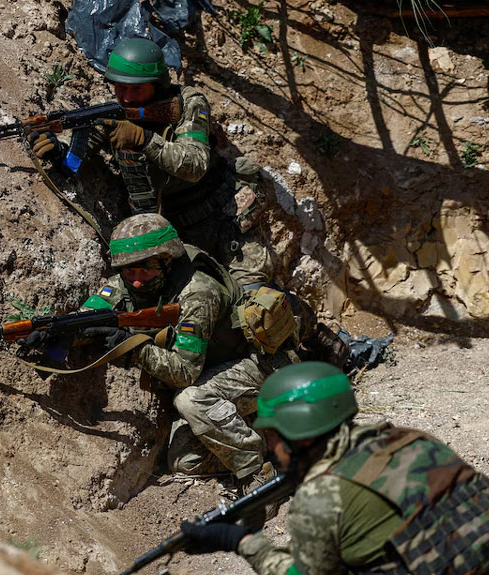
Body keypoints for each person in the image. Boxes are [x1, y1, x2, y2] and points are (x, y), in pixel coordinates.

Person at [180, 361, 489, 575]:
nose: (269, 447)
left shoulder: (319, 497)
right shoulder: (412, 440)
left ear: (296, 434)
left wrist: (240, 540)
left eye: (270, 435)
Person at [59, 214, 310, 490]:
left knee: (191, 400)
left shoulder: (199, 292)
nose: (137, 282)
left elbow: (184, 373)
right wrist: (57, 334)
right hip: (221, 370)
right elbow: (89, 317)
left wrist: (132, 349)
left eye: (145, 272)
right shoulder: (133, 275)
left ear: (167, 261)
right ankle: (264, 435)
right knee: (183, 461)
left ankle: (257, 473)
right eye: (129, 273)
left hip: (265, 366)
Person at [28, 37, 273, 287]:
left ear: (157, 85)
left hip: (223, 217)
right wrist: (56, 150)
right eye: (120, 88)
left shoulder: (189, 103)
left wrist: (143, 139)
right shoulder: (116, 115)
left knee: (256, 303)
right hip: (174, 231)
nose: (126, 97)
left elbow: (195, 165)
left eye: (136, 89)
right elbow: (81, 155)